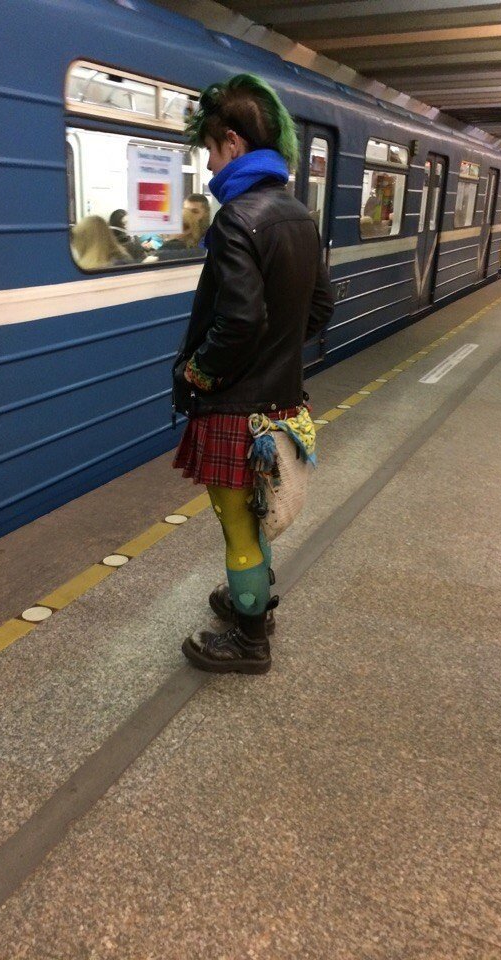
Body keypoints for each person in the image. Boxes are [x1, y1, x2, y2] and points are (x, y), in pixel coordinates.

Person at [172, 73, 333, 675]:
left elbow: (239, 321)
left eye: (212, 151)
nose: (210, 164)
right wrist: (279, 353)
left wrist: (198, 373)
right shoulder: (298, 214)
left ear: (234, 144)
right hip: (282, 404)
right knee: (254, 513)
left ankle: (248, 638)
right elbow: (321, 306)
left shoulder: (237, 219)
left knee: (237, 524)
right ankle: (251, 596)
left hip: (236, 409)